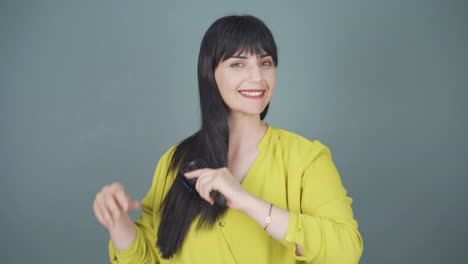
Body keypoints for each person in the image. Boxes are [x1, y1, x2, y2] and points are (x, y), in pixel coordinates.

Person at [93, 15, 363, 264]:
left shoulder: (306, 159)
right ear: (210, 73)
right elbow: (149, 258)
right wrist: (117, 220)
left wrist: (247, 201)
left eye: (265, 63)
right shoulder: (174, 162)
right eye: (238, 64)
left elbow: (347, 249)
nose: (257, 77)